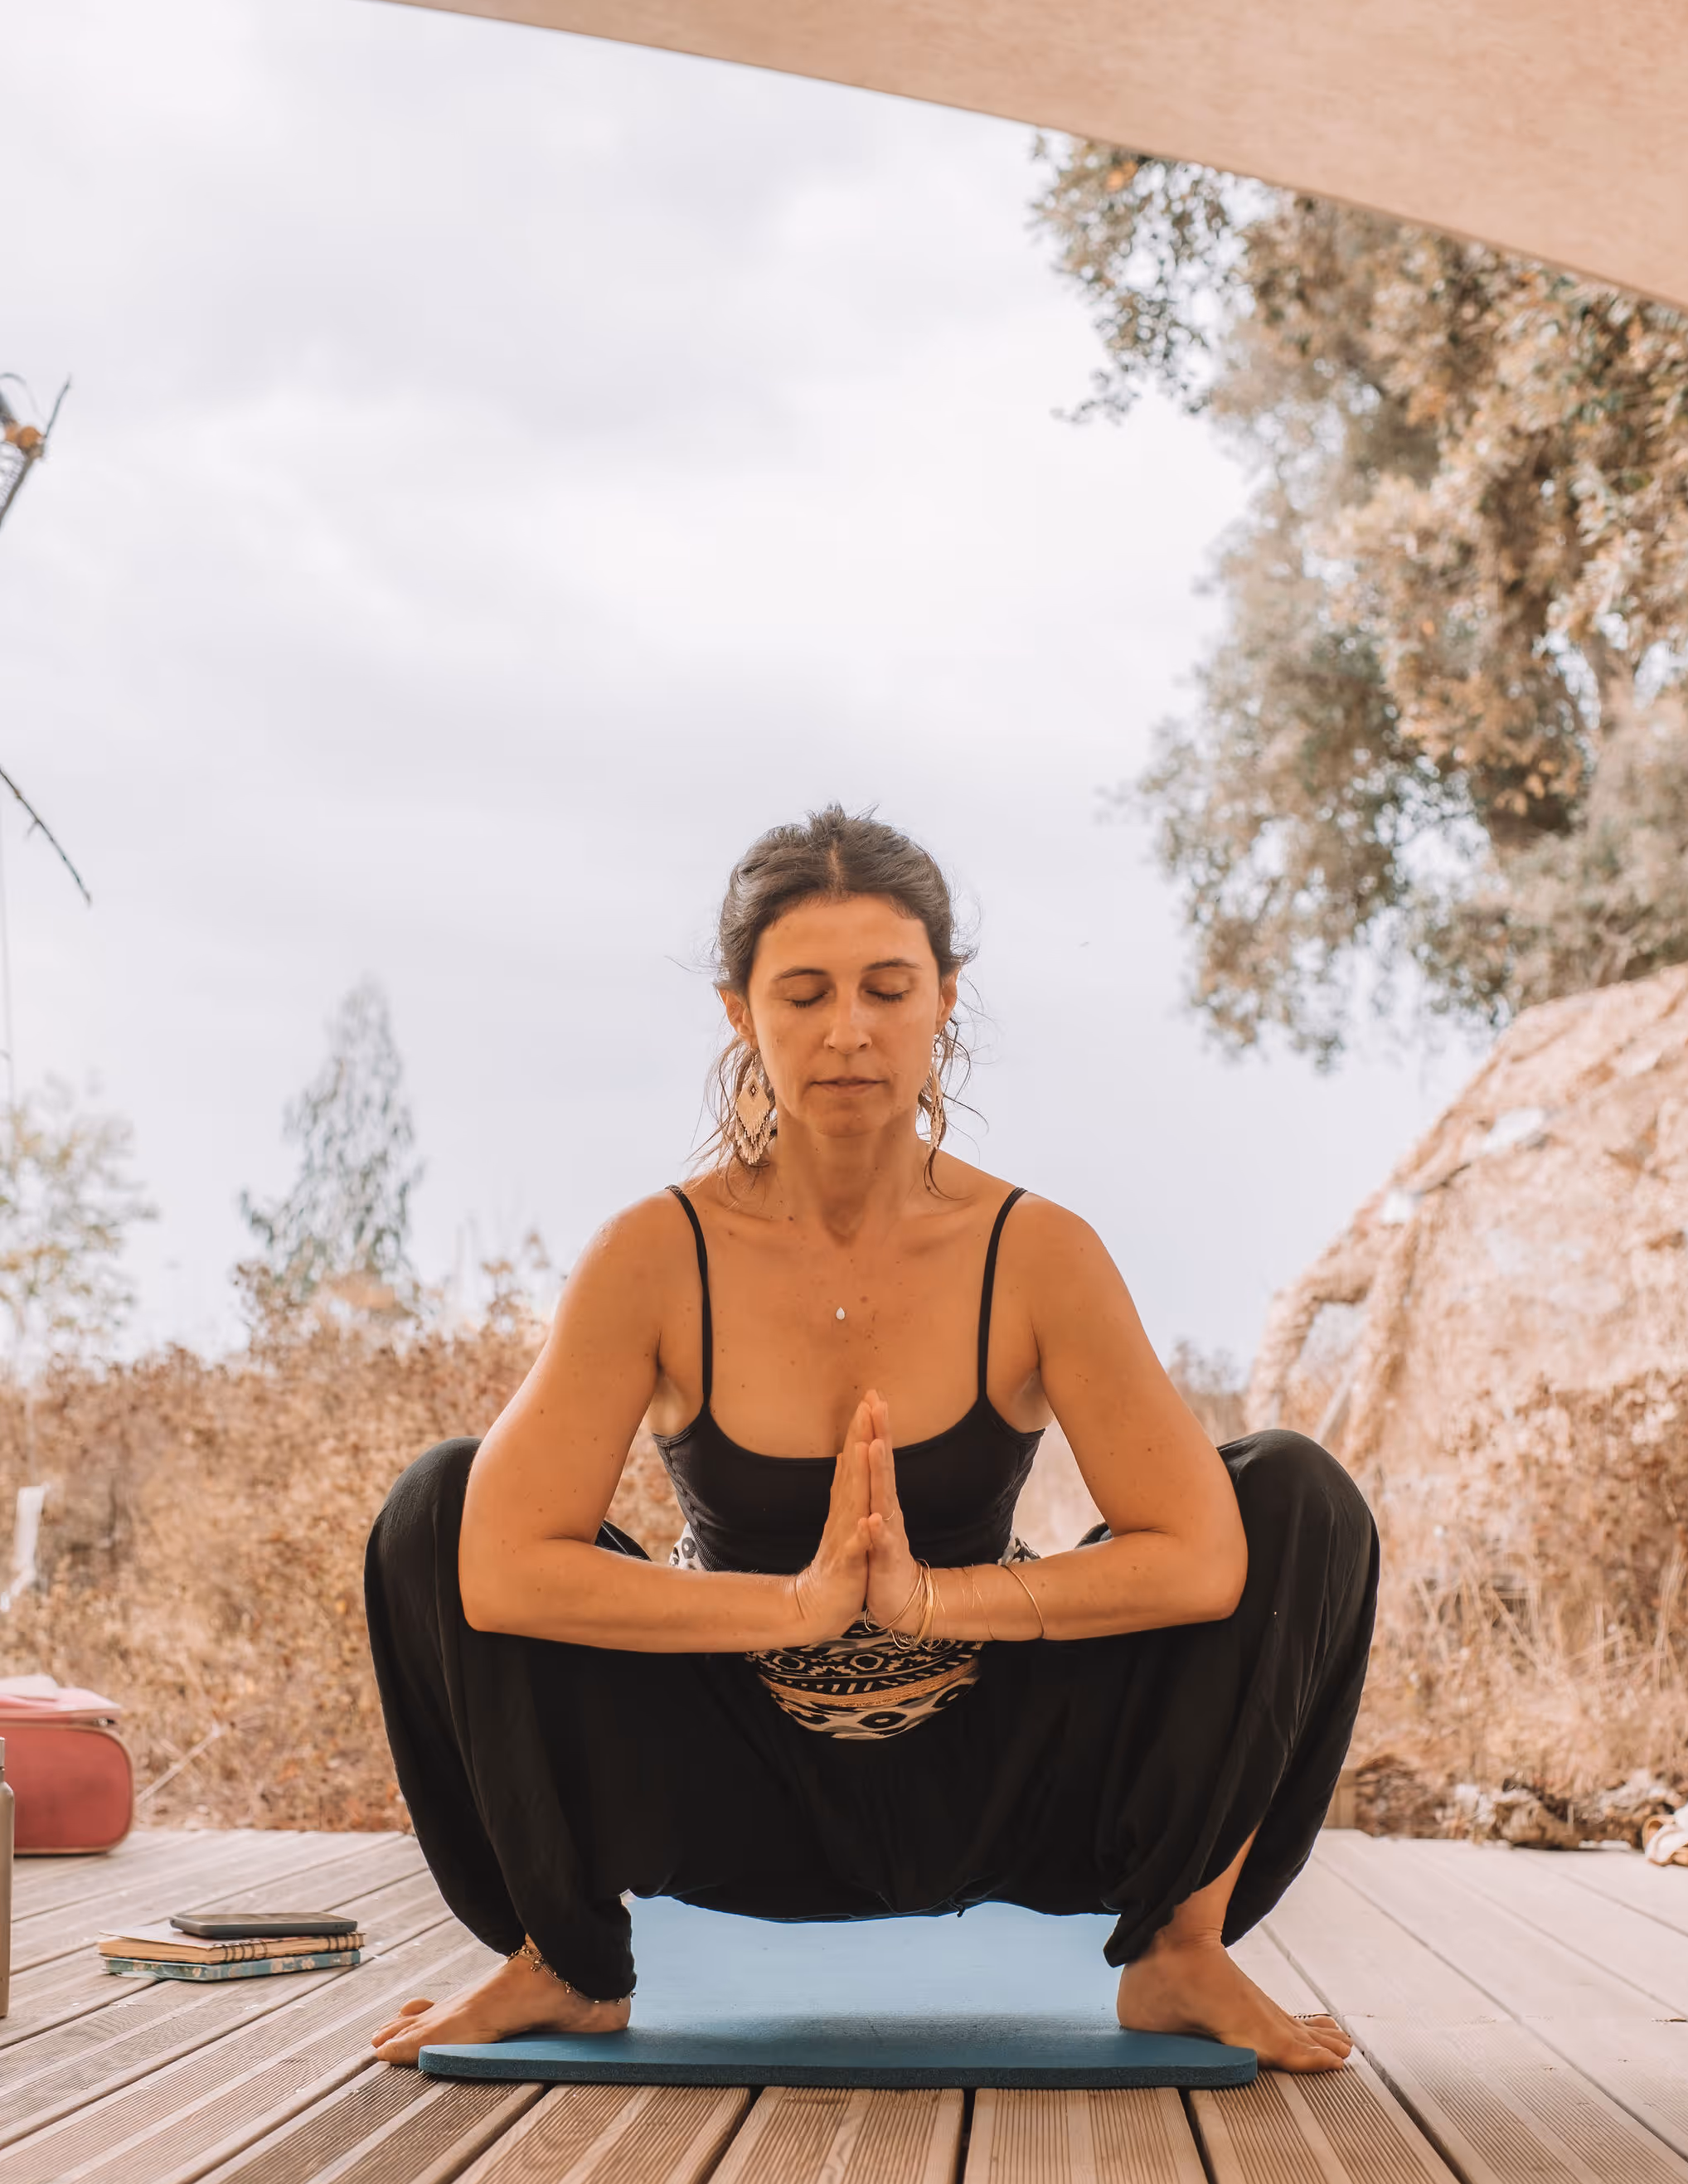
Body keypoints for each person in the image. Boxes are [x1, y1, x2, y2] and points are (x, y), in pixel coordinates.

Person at [366, 807, 1375, 2073]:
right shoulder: (654, 1257)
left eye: (888, 988)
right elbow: (500, 1570)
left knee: (1295, 1495)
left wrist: (934, 1600)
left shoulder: (1037, 1254)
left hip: (997, 1783)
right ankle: (562, 1965)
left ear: (945, 1000)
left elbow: (1203, 1563)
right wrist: (792, 1608)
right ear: (742, 1011)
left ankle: (1181, 1953)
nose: (849, 1030)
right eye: (805, 993)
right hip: (734, 1788)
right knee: (441, 1505)